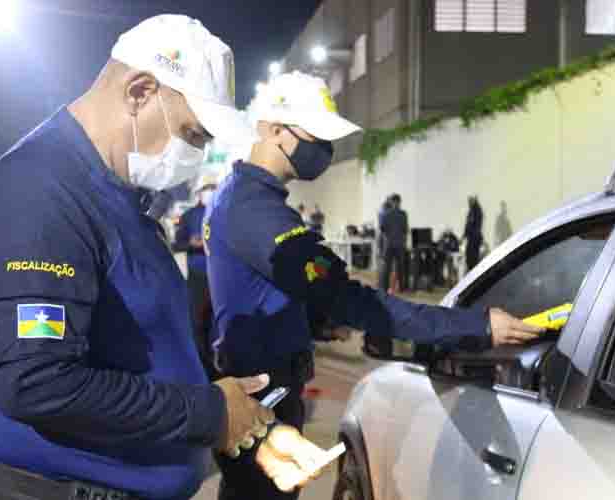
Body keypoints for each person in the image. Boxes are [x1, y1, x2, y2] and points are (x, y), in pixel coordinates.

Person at [0, 16, 326, 500]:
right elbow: (35, 381)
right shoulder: (38, 193)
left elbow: (144, 349)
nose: (198, 152)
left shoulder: (117, 196)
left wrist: (241, 420)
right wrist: (212, 413)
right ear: (139, 92)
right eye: (194, 134)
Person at [203, 71, 542, 500]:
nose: (324, 150)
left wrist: (315, 320)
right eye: (315, 136)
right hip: (261, 396)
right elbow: (353, 300)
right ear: (272, 130)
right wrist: (474, 326)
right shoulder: (257, 212)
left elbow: (258, 288)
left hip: (260, 382)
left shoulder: (238, 198)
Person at [174, 172, 220, 377]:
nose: (210, 192)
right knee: (197, 320)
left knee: (218, 321)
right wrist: (191, 244)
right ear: (200, 192)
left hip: (220, 275)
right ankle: (200, 365)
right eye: (207, 188)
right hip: (198, 274)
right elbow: (177, 243)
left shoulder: (223, 214)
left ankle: (217, 363)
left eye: (213, 188)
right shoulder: (189, 216)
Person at [461, 195, 484, 271]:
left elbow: (472, 225)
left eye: (470, 201)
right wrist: (463, 237)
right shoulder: (472, 211)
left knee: (472, 258)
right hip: (472, 238)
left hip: (474, 238)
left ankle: (474, 272)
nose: (469, 203)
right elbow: (468, 226)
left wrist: (464, 236)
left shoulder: (475, 211)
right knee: (470, 257)